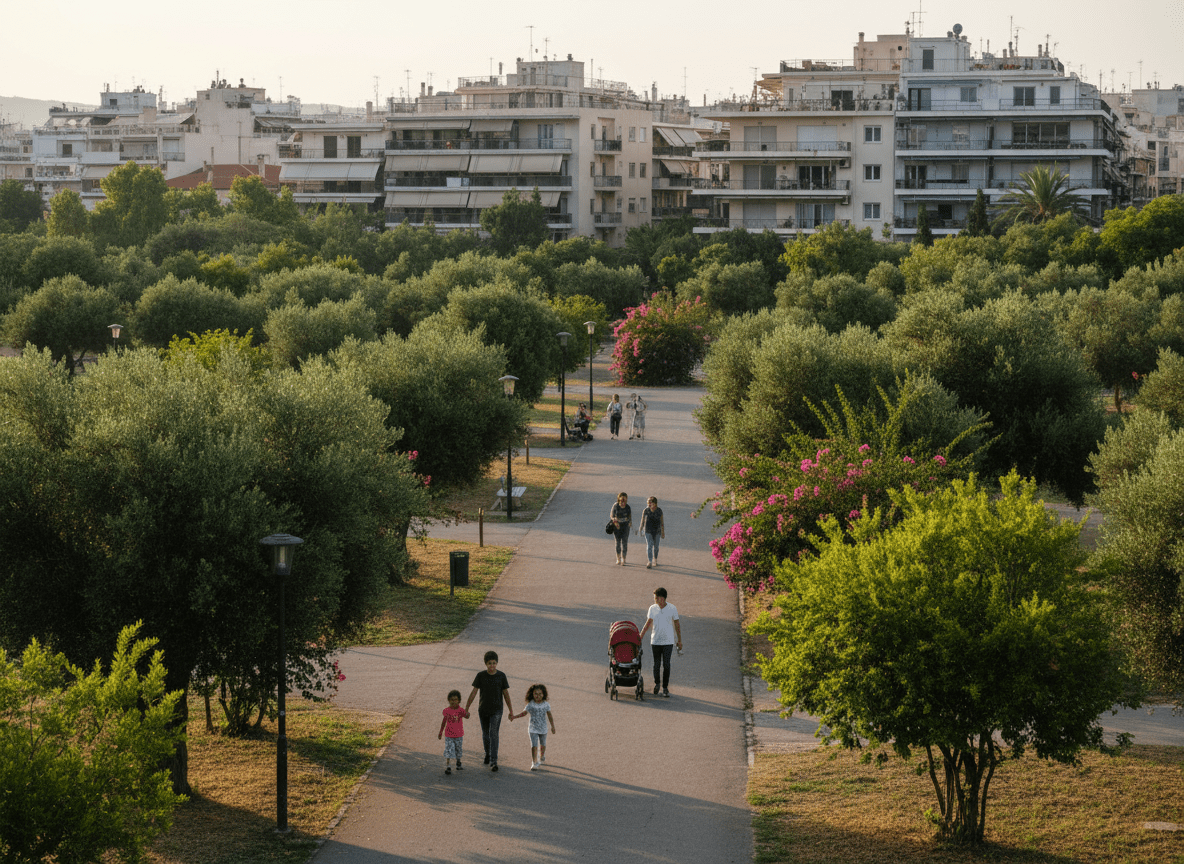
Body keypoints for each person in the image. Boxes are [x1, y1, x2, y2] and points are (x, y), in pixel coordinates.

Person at [464, 650, 514, 771]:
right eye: (489, 663)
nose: (492, 666)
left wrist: (511, 711)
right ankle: (487, 754)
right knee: (486, 735)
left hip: (497, 710)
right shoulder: (480, 676)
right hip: (483, 710)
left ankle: (493, 761)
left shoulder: (501, 676)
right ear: (485, 664)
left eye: (494, 663)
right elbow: (474, 692)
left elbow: (506, 694)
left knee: (494, 734)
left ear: (497, 663)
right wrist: (466, 708)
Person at [638, 587, 681, 697]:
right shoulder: (652, 608)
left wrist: (679, 640)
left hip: (668, 642)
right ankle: (657, 683)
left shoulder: (672, 608)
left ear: (662, 598)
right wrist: (640, 637)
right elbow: (648, 623)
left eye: (656, 598)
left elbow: (677, 624)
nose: (655, 600)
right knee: (656, 664)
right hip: (655, 641)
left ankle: (665, 687)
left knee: (666, 665)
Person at [511, 683, 556, 771]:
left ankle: (542, 755)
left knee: (543, 744)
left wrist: (552, 726)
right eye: (536, 694)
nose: (538, 696)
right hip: (533, 728)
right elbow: (524, 713)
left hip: (543, 728)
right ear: (532, 694)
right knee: (534, 745)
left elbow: (550, 715)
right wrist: (514, 716)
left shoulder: (546, 704)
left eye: (540, 694)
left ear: (543, 694)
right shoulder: (530, 704)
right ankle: (534, 762)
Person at [438, 689, 468, 775]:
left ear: (459, 701)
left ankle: (458, 762)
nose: (453, 701)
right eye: (451, 699)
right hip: (449, 735)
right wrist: (440, 732)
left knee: (458, 750)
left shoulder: (460, 710)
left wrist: (467, 713)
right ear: (448, 700)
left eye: (455, 699)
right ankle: (448, 766)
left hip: (458, 735)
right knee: (449, 750)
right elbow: (444, 722)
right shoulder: (447, 711)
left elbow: (466, 716)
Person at [638, 496, 665, 569]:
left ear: (655, 504)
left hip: (657, 531)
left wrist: (663, 532)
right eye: (648, 503)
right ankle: (649, 561)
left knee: (656, 547)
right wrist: (640, 529)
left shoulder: (659, 511)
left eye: (651, 503)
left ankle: (655, 560)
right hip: (648, 531)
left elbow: (662, 522)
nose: (649, 505)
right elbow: (642, 520)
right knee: (649, 545)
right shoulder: (646, 510)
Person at [610, 492, 632, 565]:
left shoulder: (628, 507)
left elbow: (629, 517)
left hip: (625, 526)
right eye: (621, 499)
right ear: (618, 499)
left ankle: (624, 559)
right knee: (618, 543)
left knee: (625, 542)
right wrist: (615, 520)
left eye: (624, 499)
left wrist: (630, 523)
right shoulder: (615, 506)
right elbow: (612, 515)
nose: (623, 501)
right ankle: (618, 558)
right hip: (617, 526)